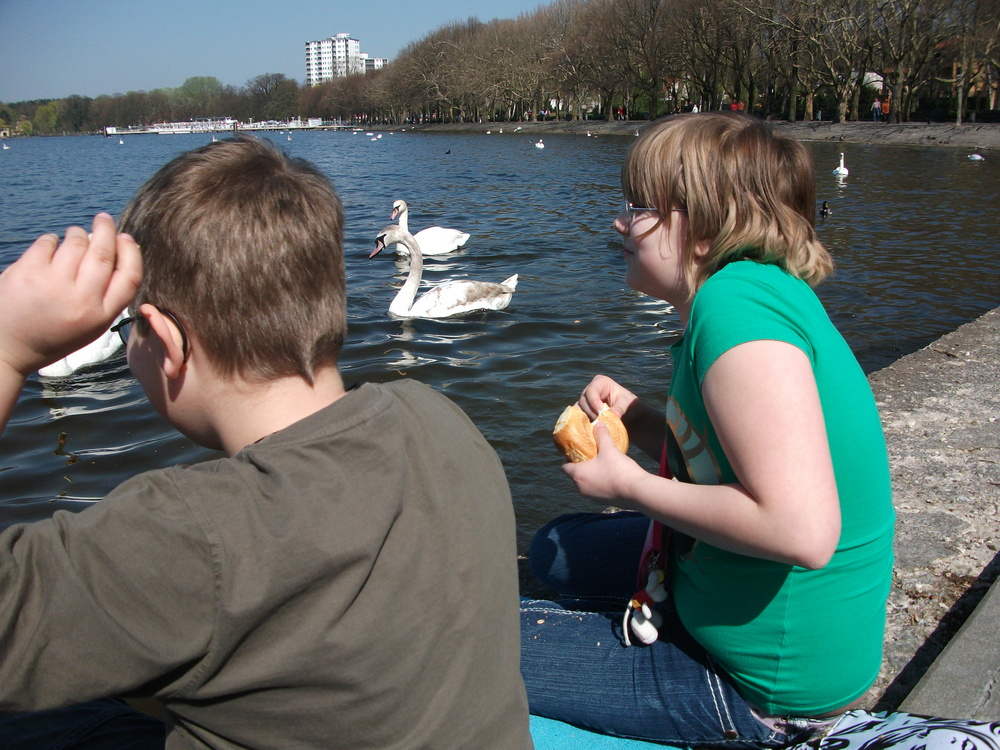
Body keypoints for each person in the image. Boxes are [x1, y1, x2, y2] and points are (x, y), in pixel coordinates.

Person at [0, 136, 532, 749]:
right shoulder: (439, 416)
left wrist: (12, 351)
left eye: (129, 330)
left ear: (167, 344)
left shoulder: (190, 534)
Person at [520, 113, 894, 747]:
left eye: (639, 208)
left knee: (478, 642)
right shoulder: (753, 292)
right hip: (763, 613)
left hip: (768, 684)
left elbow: (801, 530)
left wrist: (632, 486)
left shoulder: (734, 315)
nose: (619, 222)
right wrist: (637, 418)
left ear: (697, 228)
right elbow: (723, 459)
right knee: (560, 548)